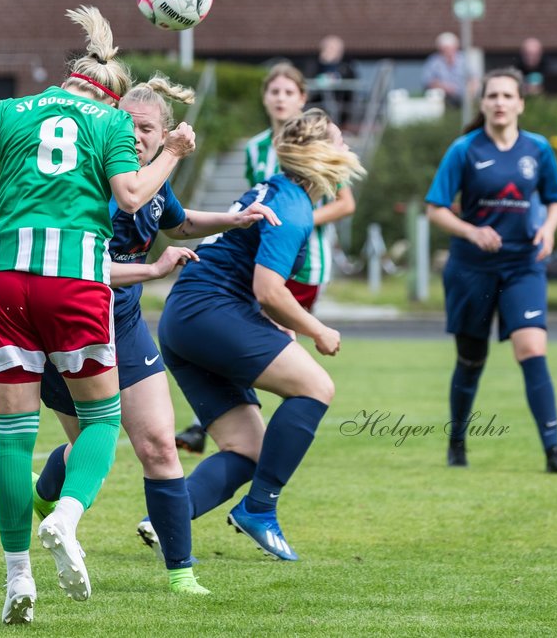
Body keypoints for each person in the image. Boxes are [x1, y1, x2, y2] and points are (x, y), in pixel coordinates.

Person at [0, 6, 196, 624]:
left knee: (12, 439)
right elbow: (131, 195)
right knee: (103, 419)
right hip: (72, 279)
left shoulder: (16, 109)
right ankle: (68, 515)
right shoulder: (111, 123)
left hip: (0, 280)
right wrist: (173, 153)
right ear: (114, 92)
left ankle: (18, 578)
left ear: (69, 77)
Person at [32, 74, 278, 597]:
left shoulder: (154, 178)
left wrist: (237, 221)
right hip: (71, 322)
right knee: (86, 454)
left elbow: (178, 222)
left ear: (164, 133)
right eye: (128, 125)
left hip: (123, 325)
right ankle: (45, 493)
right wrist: (151, 271)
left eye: (147, 128)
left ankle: (181, 572)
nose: (137, 136)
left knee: (160, 446)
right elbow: (85, 267)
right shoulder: (94, 180)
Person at [158, 108, 362, 562]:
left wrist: (281, 325)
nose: (347, 148)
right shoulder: (292, 206)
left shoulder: (280, 192)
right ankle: (260, 510)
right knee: (316, 387)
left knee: (248, 448)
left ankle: (167, 518)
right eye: (339, 141)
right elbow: (267, 290)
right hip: (210, 314)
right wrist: (318, 330)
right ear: (318, 155)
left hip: (184, 319)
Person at [176, 63, 357, 455]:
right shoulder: (258, 147)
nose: (280, 98)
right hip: (255, 263)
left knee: (277, 343)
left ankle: (256, 427)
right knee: (267, 342)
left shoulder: (320, 146)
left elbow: (343, 203)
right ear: (264, 98)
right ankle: (234, 427)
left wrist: (298, 224)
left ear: (302, 99)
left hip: (301, 262)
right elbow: (256, 202)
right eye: (273, 91)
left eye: (288, 92)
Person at [425, 67, 557, 474]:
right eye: (493, 96)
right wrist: (471, 232)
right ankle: (457, 442)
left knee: (532, 348)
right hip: (472, 269)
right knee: (471, 359)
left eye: (508, 96)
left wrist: (548, 229)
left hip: (522, 265)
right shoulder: (464, 149)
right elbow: (435, 209)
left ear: (520, 103)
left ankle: (553, 451)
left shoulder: (538, 149)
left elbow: (556, 199)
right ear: (483, 103)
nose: (500, 103)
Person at [423, 32, 471, 109]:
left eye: (450, 48)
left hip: (464, 100)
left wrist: (470, 94)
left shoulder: (464, 60)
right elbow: (428, 81)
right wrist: (444, 87)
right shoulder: (433, 62)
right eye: (444, 49)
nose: (448, 51)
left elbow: (474, 79)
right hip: (443, 100)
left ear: (455, 47)